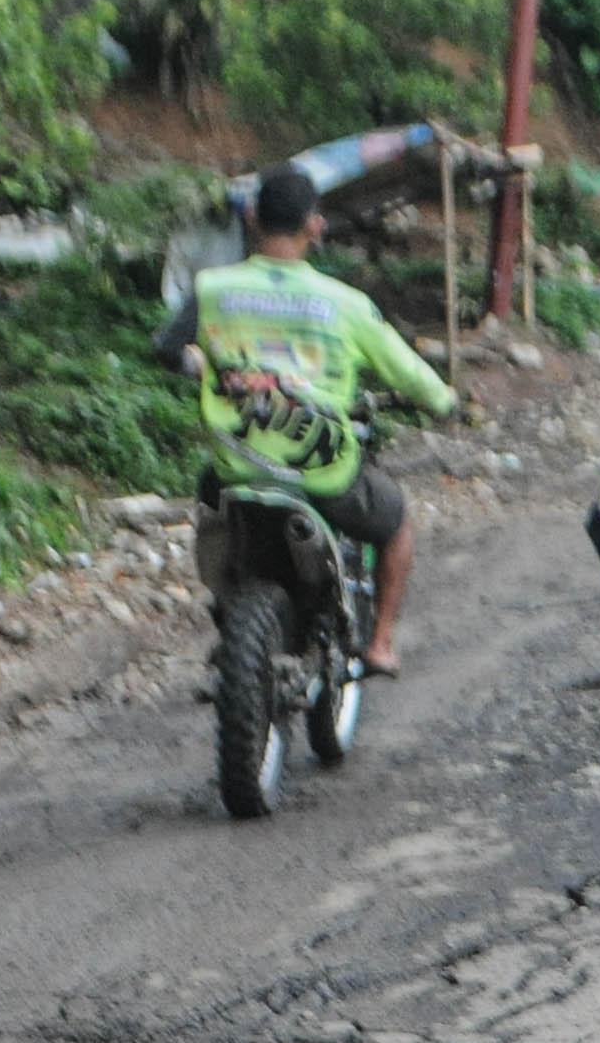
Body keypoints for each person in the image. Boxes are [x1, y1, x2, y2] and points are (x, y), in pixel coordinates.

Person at [151, 161, 456, 679]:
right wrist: (447, 402)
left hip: (237, 469)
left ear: (251, 216)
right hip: (322, 470)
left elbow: (164, 348)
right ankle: (380, 644)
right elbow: (413, 376)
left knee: (215, 517)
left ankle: (232, 628)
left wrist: (196, 363)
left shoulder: (213, 289)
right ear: (315, 224)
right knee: (397, 522)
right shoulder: (347, 304)